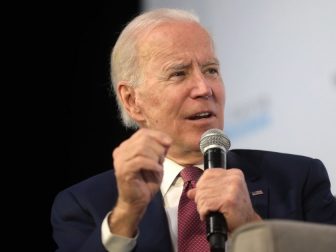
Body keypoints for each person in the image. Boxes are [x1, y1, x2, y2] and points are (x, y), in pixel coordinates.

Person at [51, 8, 336, 252]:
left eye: (211, 70)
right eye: (178, 73)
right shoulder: (84, 205)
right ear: (132, 101)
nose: (204, 88)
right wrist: (126, 214)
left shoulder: (298, 180)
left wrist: (251, 226)